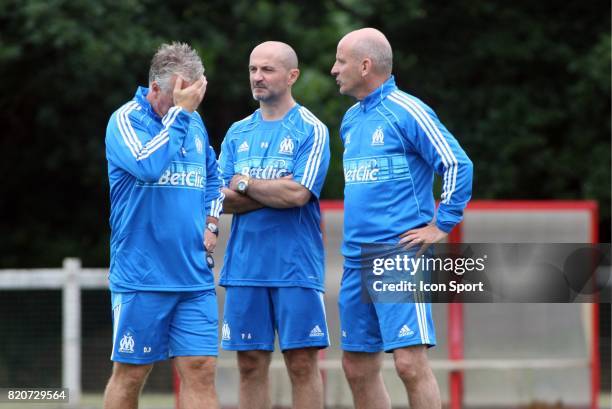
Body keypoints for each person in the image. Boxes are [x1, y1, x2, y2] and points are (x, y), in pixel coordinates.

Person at [331, 28, 473, 409]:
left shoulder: (408, 110)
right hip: (355, 256)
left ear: (365, 65)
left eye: (341, 61)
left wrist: (442, 224)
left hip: (398, 253)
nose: (333, 69)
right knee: (356, 365)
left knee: (409, 363)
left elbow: (457, 163)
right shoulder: (349, 120)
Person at [103, 42, 224, 409]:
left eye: (191, 98)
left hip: (193, 276)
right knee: (132, 373)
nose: (185, 106)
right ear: (154, 89)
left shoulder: (193, 121)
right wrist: (181, 115)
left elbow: (214, 182)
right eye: (176, 97)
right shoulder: (124, 121)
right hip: (142, 277)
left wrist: (212, 223)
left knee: (201, 368)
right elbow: (148, 165)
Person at [218, 41, 331, 409]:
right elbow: (219, 198)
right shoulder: (237, 132)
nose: (257, 77)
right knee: (249, 364)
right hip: (245, 267)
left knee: (302, 364)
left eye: (267, 69)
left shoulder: (312, 129)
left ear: (292, 75)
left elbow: (297, 195)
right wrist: (273, 189)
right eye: (253, 69)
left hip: (295, 267)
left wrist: (245, 183)